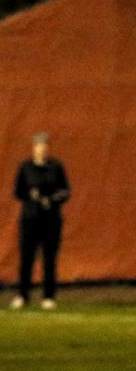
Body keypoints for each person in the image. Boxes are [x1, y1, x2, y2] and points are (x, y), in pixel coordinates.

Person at [11, 132, 70, 310]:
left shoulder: (56, 167)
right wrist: (31, 195)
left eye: (44, 146)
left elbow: (66, 191)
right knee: (26, 258)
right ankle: (22, 295)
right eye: (38, 146)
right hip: (30, 220)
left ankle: (48, 296)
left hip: (51, 220)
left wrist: (51, 200)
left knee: (49, 259)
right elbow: (18, 192)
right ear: (33, 148)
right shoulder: (26, 167)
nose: (41, 149)